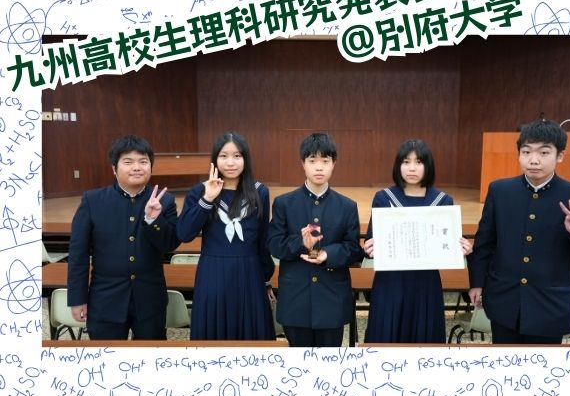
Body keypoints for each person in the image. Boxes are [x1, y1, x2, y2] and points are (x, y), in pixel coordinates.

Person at [467, 119, 570, 344]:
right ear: (519, 154)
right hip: (504, 300)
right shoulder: (500, 191)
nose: (534, 160)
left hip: (550, 305)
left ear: (560, 156)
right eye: (526, 152)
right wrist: (477, 283)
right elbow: (485, 242)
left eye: (544, 152)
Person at [67, 135, 180, 339]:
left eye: (143, 161)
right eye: (128, 162)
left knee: (151, 355)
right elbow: (78, 255)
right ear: (114, 168)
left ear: (151, 167)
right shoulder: (92, 201)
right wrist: (77, 299)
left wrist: (152, 220)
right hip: (105, 299)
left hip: (150, 299)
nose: (137, 167)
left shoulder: (165, 201)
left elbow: (169, 244)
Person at [361, 139, 472, 343]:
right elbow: (371, 241)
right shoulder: (384, 198)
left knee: (424, 339)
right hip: (391, 283)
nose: (412, 168)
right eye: (406, 162)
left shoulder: (443, 201)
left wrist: (460, 249)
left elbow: (447, 244)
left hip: (425, 284)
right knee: (387, 338)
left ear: (428, 166)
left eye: (419, 162)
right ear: (398, 165)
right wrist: (370, 248)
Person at [177, 132, 275, 340]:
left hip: (249, 273)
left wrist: (266, 279)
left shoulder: (260, 192)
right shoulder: (199, 191)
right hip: (212, 273)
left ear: (245, 159)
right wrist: (207, 199)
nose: (230, 162)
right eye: (224, 156)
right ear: (215, 159)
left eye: (237, 156)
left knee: (250, 335)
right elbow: (185, 233)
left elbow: (262, 240)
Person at [267, 133, 362, 347]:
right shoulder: (284, 203)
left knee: (330, 362)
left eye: (325, 161)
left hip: (332, 300)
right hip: (296, 300)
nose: (319, 167)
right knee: (297, 363)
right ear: (303, 163)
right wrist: (300, 244)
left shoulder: (347, 206)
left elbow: (354, 249)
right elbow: (274, 245)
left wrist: (328, 254)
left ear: (334, 163)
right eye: (312, 160)